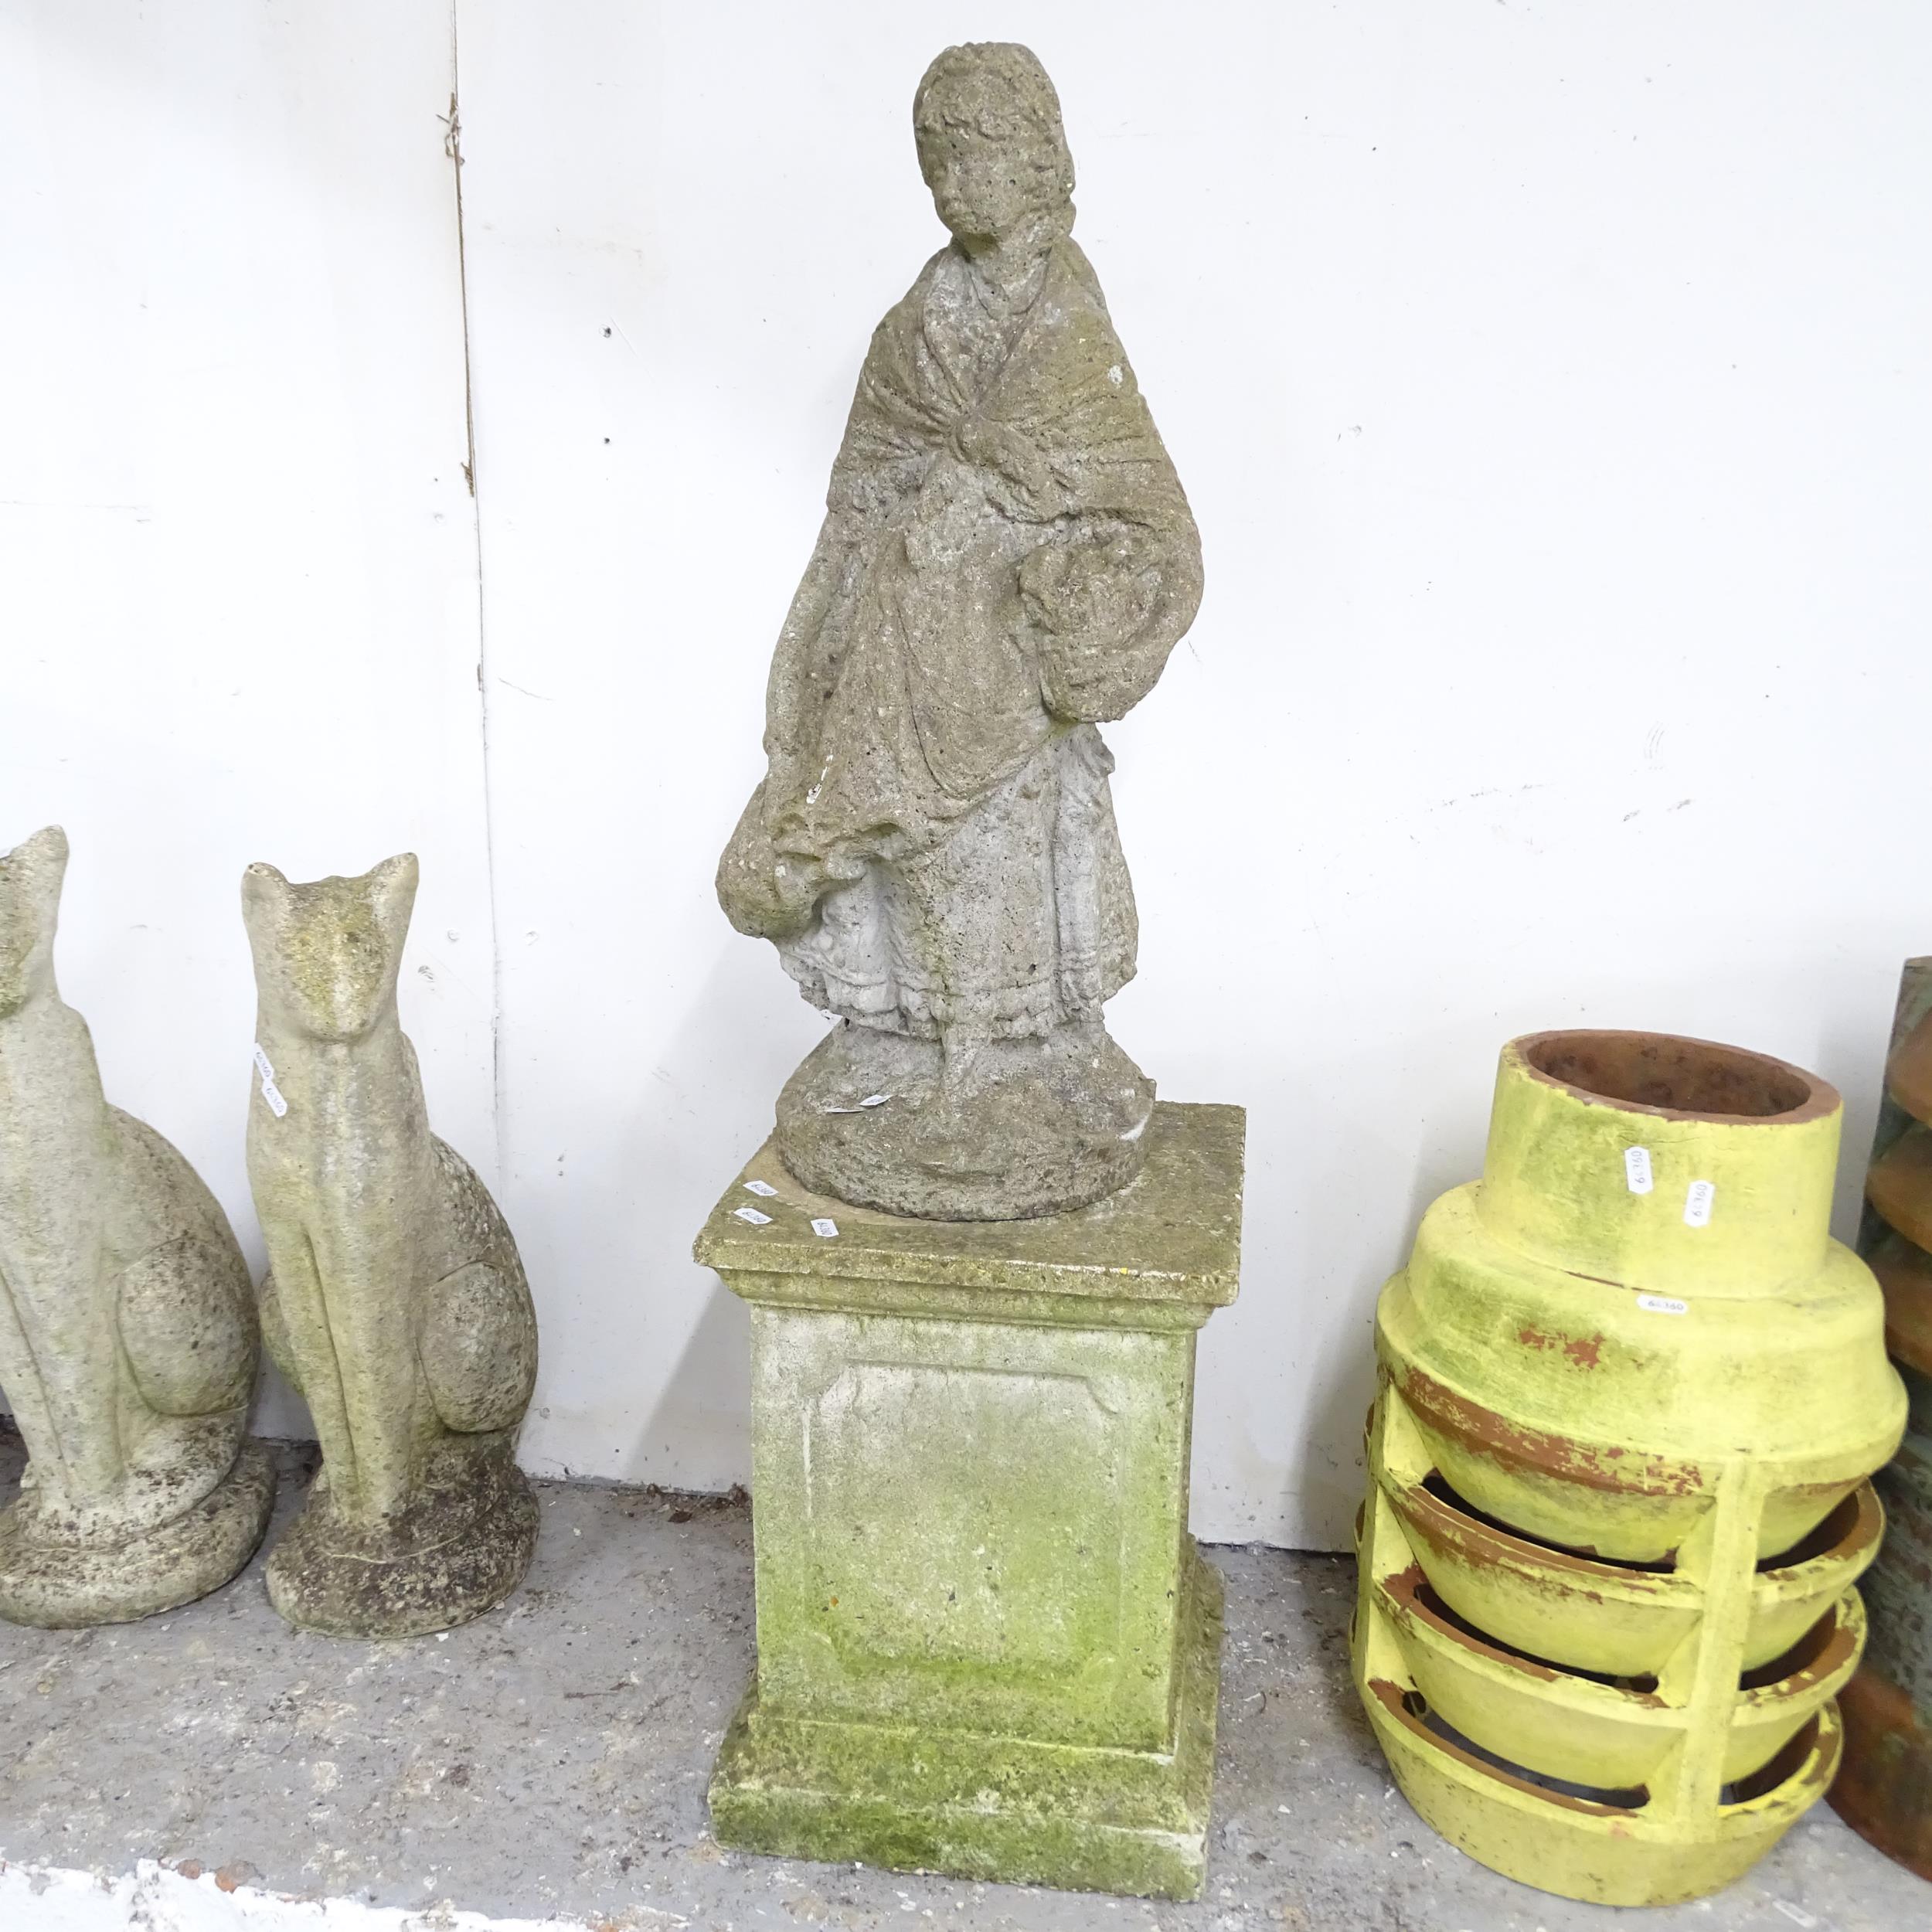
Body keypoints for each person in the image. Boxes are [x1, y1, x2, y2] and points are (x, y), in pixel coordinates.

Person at [718, 43, 1202, 1220]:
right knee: (898, 860)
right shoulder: (915, 327)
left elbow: (1145, 508)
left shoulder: (1071, 334)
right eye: (937, 157)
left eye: (980, 151)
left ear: (1041, 157)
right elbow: (860, 498)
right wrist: (811, 664)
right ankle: (912, 1054)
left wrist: (1090, 592)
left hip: (1012, 673)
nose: (956, 180)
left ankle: (1023, 1059)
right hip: (897, 652)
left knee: (1010, 852)